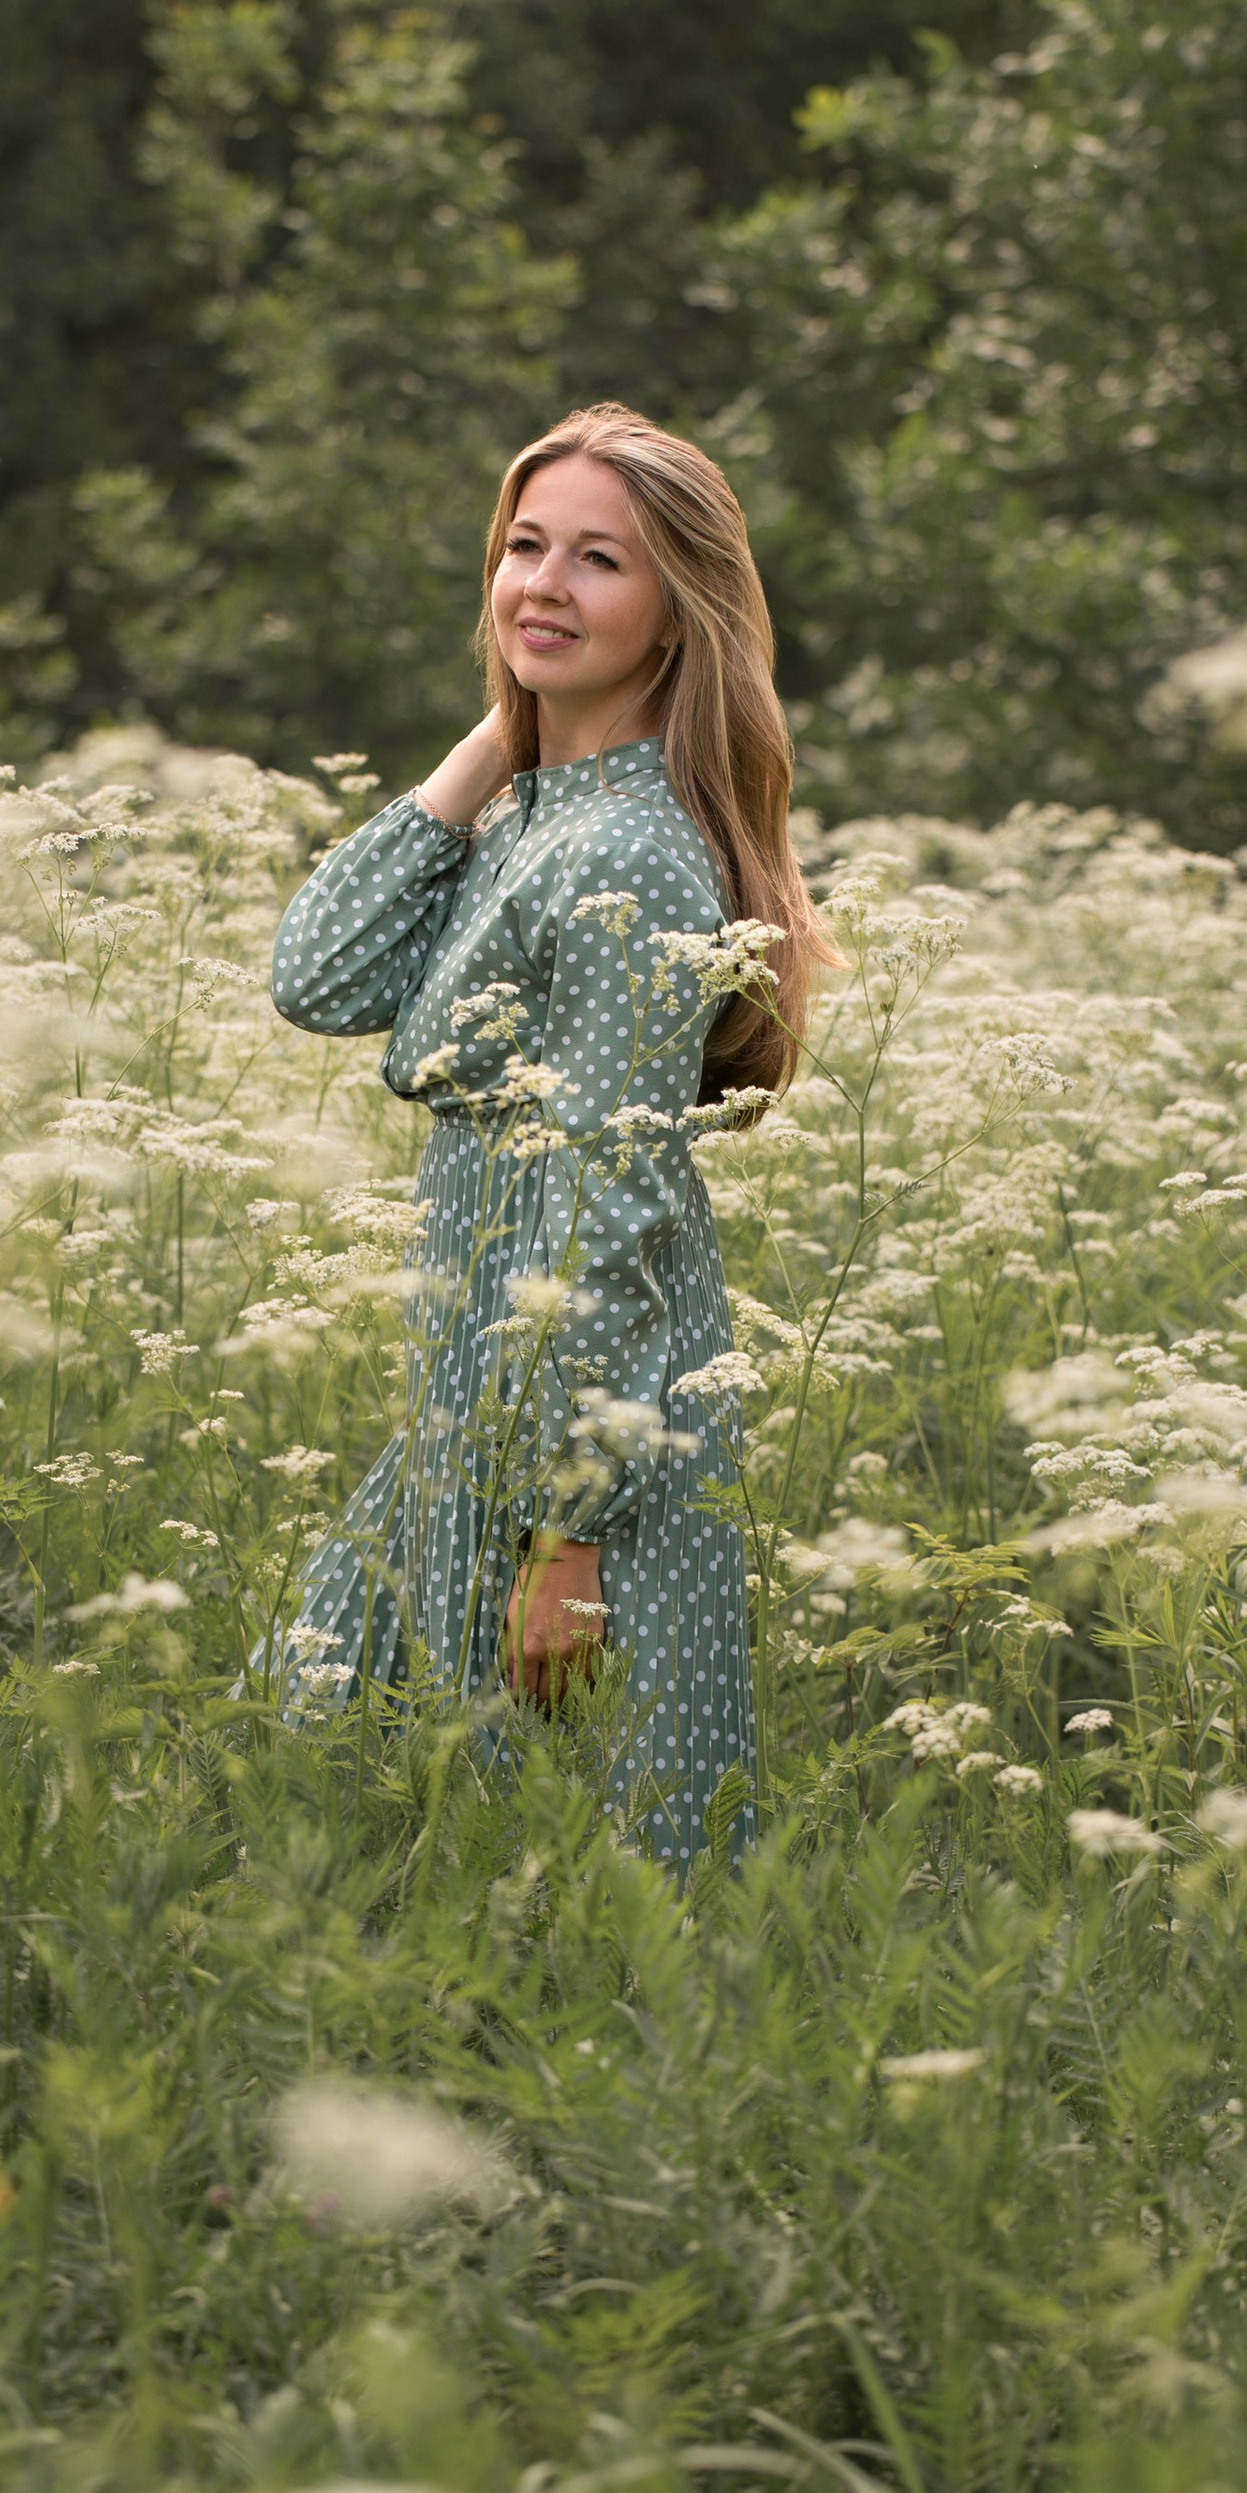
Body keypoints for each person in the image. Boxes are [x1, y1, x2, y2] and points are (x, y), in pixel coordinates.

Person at [268, 401, 830, 1867]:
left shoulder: (630, 853)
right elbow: (316, 978)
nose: (546, 587)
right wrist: (492, 745)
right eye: (526, 548)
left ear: (675, 614)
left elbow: (608, 1200)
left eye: (601, 562)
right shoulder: (536, 813)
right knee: (360, 1762)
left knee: (614, 1866)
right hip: (472, 1407)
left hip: (579, 1442)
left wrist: (569, 1537)